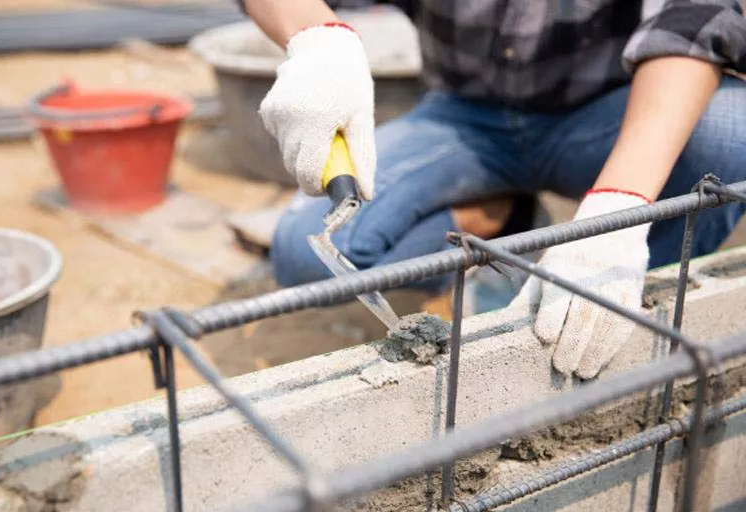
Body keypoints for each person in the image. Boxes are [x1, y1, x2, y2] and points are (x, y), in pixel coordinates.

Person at [238, 0, 746, 380]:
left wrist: (619, 209)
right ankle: (503, 219)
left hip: (602, 112)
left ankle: (617, 316)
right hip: (465, 121)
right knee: (304, 252)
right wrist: (319, 37)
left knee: (732, 129)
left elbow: (696, 20)